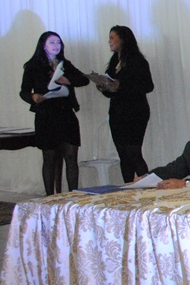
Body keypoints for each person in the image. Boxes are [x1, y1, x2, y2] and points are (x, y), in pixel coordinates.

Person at [19, 31, 90, 194]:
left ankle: (74, 195)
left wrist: (68, 81)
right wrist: (33, 97)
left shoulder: (65, 64)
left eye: (58, 42)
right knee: (49, 158)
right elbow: (23, 91)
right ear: (43, 45)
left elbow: (83, 80)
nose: (56, 45)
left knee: (71, 157)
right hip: (46, 116)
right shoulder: (33, 65)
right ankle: (49, 196)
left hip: (66, 115)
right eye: (52, 42)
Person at [97, 25, 154, 182]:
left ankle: (147, 185)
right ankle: (128, 187)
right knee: (123, 154)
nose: (109, 41)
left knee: (133, 152)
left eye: (112, 37)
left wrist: (120, 86)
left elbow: (148, 86)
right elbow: (112, 91)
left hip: (135, 112)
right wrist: (104, 87)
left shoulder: (138, 61)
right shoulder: (115, 61)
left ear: (123, 39)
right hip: (117, 112)